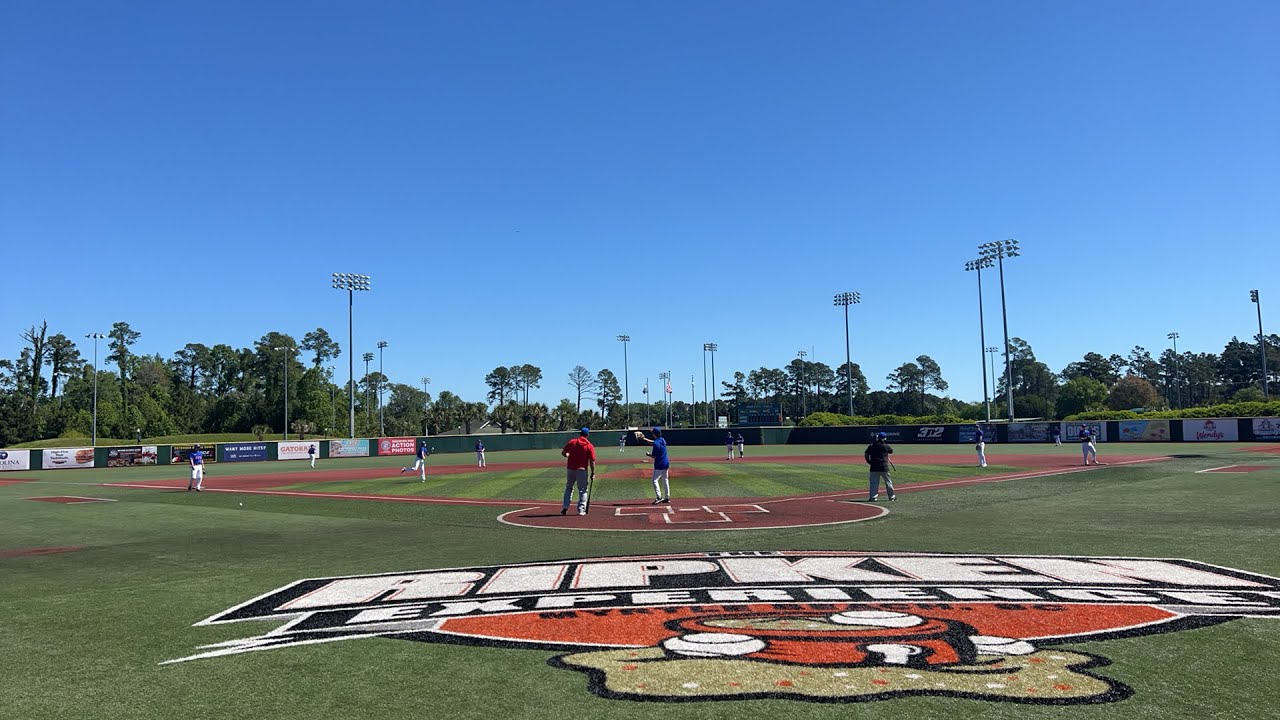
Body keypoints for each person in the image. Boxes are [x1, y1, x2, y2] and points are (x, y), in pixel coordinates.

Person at [560, 427, 596, 515]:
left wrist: (567, 454)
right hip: (582, 470)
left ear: (580, 434)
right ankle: (581, 510)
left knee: (569, 488)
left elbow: (563, 452)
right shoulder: (589, 446)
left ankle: (565, 507)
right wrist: (593, 472)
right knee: (583, 490)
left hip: (570, 469)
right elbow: (592, 461)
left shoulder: (572, 442)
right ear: (587, 435)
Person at [634, 426, 671, 504]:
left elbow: (654, 456)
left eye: (653, 432)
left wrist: (648, 454)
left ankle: (659, 497)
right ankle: (667, 497)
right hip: (666, 463)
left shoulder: (656, 444)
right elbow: (653, 442)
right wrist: (644, 439)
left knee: (654, 480)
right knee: (665, 479)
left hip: (659, 464)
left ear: (654, 434)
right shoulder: (662, 440)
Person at [863, 431, 896, 501]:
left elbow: (866, 454)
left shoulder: (872, 445)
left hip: (874, 467)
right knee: (888, 482)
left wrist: (869, 461)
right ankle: (892, 497)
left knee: (873, 483)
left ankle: (873, 497)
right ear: (885, 438)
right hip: (884, 467)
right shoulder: (886, 446)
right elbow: (891, 451)